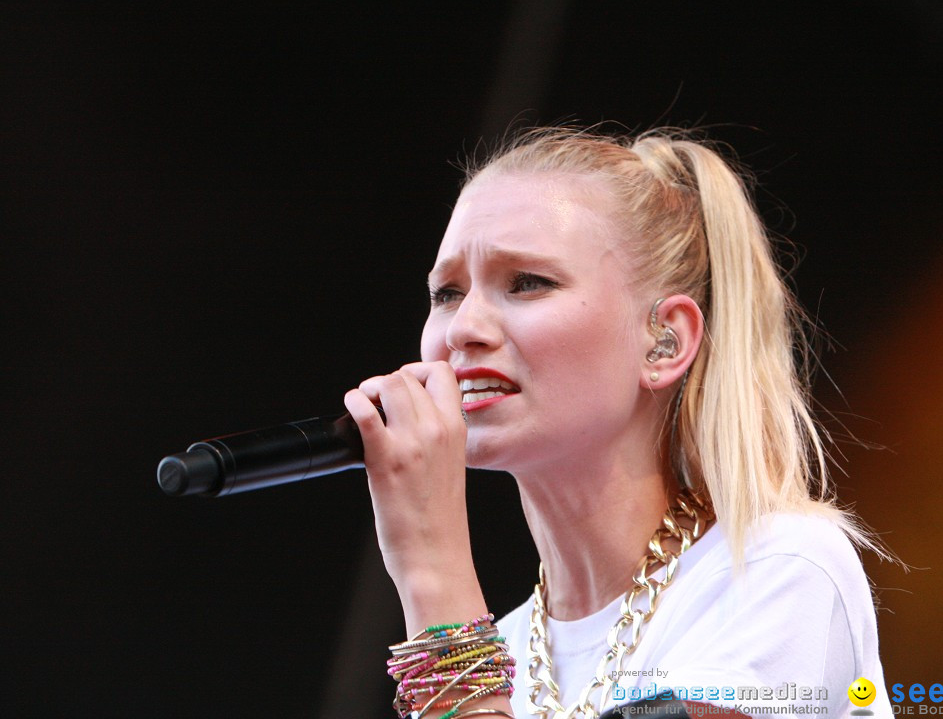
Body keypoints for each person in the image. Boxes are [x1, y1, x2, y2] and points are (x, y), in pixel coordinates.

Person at [344, 126, 893, 719]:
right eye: (447, 293)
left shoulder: (777, 572)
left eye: (528, 283)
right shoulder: (499, 652)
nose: (461, 329)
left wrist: (432, 567)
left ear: (664, 341)